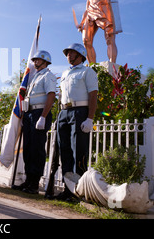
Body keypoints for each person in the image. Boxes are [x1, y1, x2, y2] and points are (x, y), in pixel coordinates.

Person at [56, 43, 98, 200]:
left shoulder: (88, 71)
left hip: (80, 112)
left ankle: (77, 192)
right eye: (67, 53)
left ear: (80, 55)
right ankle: (67, 190)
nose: (68, 55)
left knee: (78, 152)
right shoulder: (65, 73)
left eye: (71, 53)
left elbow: (93, 95)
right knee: (65, 152)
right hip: (64, 112)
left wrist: (90, 118)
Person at [12, 50, 56, 194]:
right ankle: (28, 180)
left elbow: (51, 96)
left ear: (45, 61)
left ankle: (35, 183)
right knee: (28, 148)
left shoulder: (48, 76)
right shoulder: (34, 77)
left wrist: (43, 116)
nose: (35, 62)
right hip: (30, 113)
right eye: (35, 60)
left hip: (40, 113)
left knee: (37, 149)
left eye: (38, 60)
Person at [76, 0, 120, 64]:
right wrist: (82, 22)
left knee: (109, 38)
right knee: (86, 41)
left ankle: (112, 64)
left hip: (104, 9)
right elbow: (87, 5)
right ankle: (92, 66)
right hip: (90, 12)